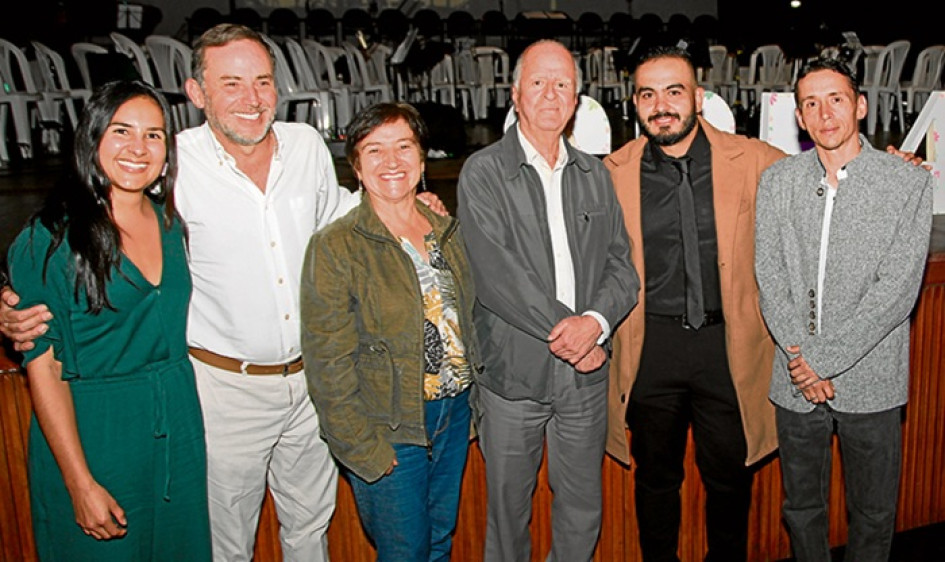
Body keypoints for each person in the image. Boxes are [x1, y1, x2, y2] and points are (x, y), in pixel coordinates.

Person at [0, 23, 445, 562]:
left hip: (313, 386)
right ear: (196, 93)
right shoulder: (172, 161)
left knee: (311, 530)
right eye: (230, 83)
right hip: (223, 391)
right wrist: (9, 300)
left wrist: (417, 210)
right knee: (226, 544)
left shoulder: (306, 147)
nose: (251, 99)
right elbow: (77, 221)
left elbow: (347, 221)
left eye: (262, 81)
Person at [5, 81, 210, 560]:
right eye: (122, 131)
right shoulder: (50, 241)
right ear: (92, 137)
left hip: (177, 429)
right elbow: (46, 369)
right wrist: (79, 483)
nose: (139, 148)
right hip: (99, 435)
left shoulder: (170, 225)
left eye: (154, 135)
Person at [457, 40, 638, 561]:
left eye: (563, 84)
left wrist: (597, 324)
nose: (551, 94)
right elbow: (498, 279)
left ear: (577, 99)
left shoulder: (594, 175)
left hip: (583, 380)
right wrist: (578, 335)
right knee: (508, 518)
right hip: (514, 377)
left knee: (582, 511)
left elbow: (621, 267)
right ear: (516, 95)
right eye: (538, 82)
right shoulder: (484, 173)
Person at [603, 46, 784, 562]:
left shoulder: (751, 159)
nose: (661, 104)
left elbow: (824, 178)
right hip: (649, 346)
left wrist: (889, 165)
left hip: (726, 348)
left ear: (698, 98)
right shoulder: (613, 172)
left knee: (729, 478)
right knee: (656, 479)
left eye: (674, 91)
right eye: (648, 93)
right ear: (634, 103)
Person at [755, 57, 932, 562]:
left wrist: (822, 360)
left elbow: (897, 291)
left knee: (874, 513)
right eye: (810, 103)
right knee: (801, 508)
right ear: (799, 116)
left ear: (859, 105)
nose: (824, 113)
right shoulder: (778, 181)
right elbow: (770, 278)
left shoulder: (906, 182)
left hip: (871, 378)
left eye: (835, 99)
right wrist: (802, 362)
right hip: (794, 380)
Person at [301, 102, 480, 561]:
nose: (392, 161)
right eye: (374, 150)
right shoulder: (336, 246)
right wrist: (363, 448)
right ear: (356, 167)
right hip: (389, 425)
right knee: (405, 552)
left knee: (439, 543)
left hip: (453, 414)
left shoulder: (445, 229)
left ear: (423, 160)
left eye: (404, 147)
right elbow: (327, 364)